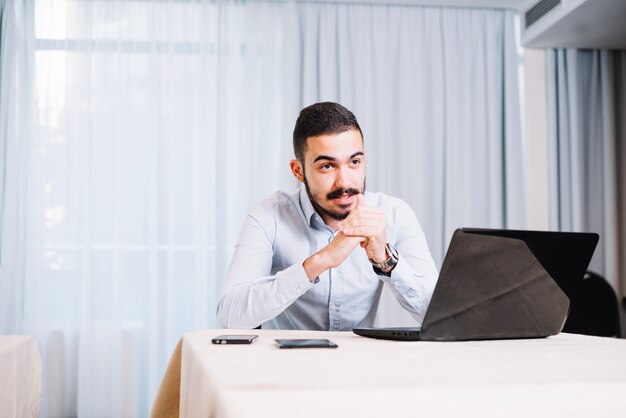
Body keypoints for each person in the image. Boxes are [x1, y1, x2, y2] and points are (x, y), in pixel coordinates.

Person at [217, 102, 438, 330]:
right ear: (298, 170)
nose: (344, 182)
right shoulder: (268, 216)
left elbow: (437, 315)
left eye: (354, 162)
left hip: (362, 362)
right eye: (326, 166)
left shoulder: (395, 214)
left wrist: (385, 261)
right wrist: (320, 262)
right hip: (285, 362)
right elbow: (230, 315)